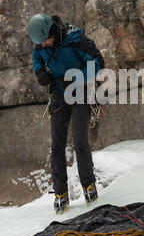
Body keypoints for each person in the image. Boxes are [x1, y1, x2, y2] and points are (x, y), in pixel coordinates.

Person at [27, 14, 105, 214]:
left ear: (52, 32)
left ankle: (89, 186)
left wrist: (77, 80)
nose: (43, 46)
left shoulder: (75, 40)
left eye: (44, 41)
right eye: (40, 43)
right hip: (59, 95)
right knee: (57, 145)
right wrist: (39, 72)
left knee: (80, 141)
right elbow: (37, 57)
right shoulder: (41, 44)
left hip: (80, 93)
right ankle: (60, 193)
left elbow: (97, 61)